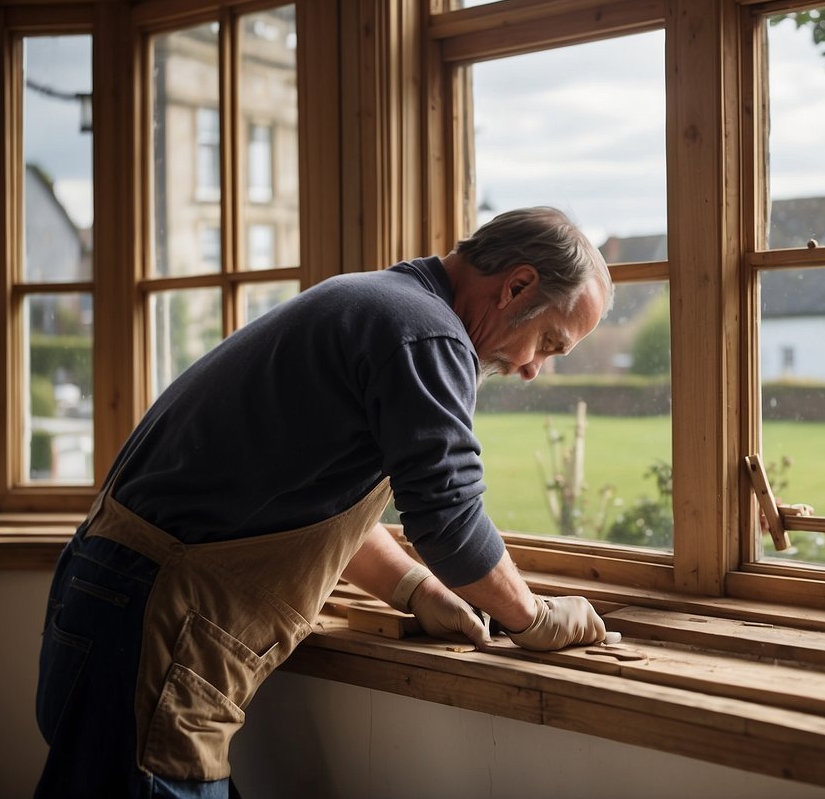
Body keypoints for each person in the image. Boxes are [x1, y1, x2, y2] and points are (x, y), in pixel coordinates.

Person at [34, 207, 613, 798]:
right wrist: (534, 618)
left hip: (112, 603)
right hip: (151, 627)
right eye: (547, 341)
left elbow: (311, 501)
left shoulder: (377, 303)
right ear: (517, 286)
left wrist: (416, 589)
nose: (532, 369)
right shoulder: (427, 332)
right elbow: (450, 517)